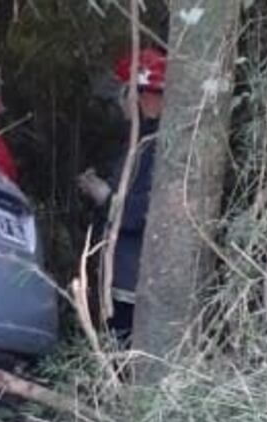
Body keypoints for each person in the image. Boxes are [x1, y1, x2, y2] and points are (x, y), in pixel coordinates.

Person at [77, 47, 166, 339]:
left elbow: (145, 213)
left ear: (139, 93)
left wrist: (104, 196)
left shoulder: (157, 145)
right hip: (125, 280)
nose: (120, 105)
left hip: (136, 287)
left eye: (123, 95)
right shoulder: (141, 142)